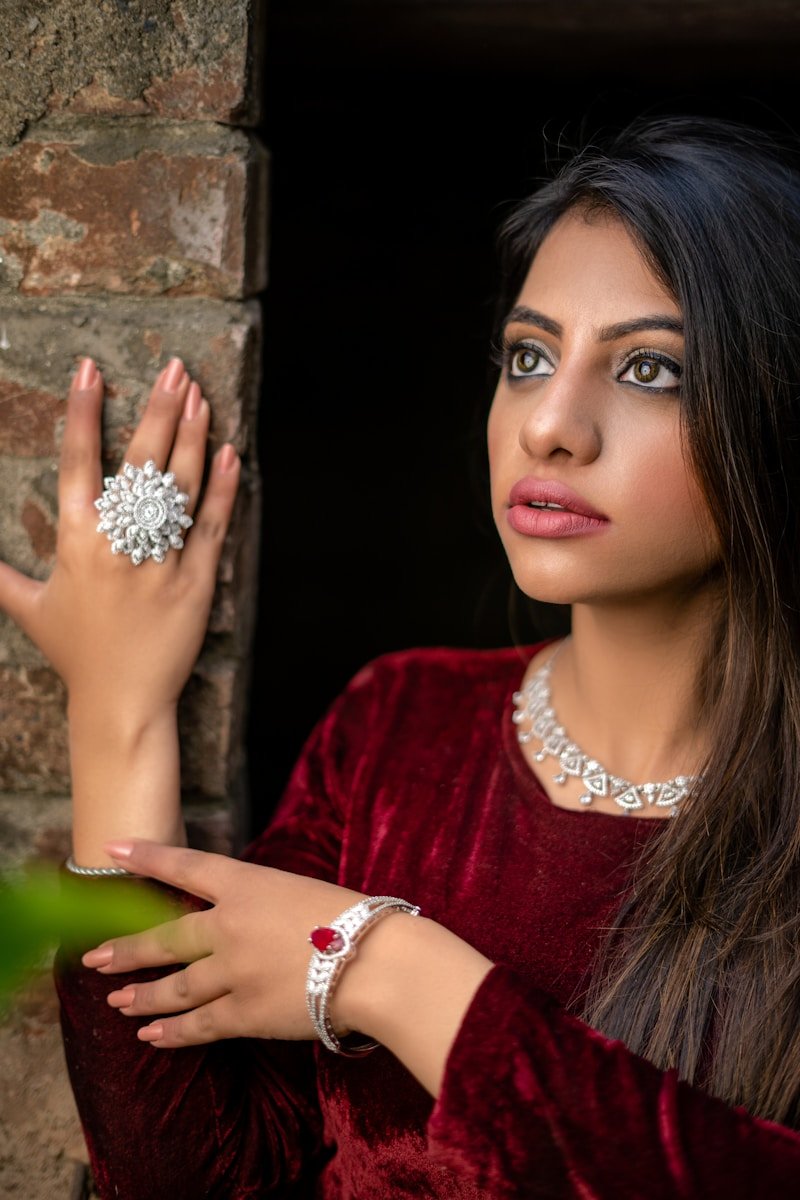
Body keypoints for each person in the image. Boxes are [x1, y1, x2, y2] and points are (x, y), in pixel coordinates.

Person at [4, 112, 800, 1199]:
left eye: (649, 371)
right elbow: (197, 1175)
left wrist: (387, 972)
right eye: (527, 356)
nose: (550, 426)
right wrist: (118, 712)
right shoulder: (397, 724)